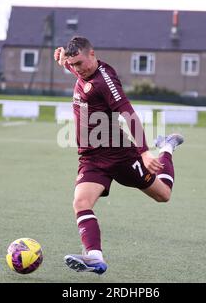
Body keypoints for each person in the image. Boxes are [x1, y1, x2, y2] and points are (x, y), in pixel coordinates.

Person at [54, 36, 184, 275]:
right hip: (91, 158)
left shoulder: (105, 80)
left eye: (80, 63)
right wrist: (64, 59)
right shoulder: (83, 71)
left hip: (120, 155)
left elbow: (129, 114)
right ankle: (94, 257)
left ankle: (166, 147)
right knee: (81, 203)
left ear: (92, 54)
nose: (77, 69)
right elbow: (77, 69)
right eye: (73, 65)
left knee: (163, 195)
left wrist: (145, 152)